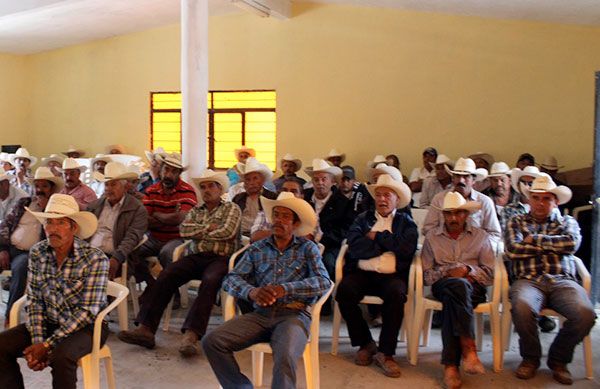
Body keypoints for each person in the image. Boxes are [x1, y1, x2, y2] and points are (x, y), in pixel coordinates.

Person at [201, 192, 331, 389]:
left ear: (295, 224)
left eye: (285, 216)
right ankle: (241, 387)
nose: (278, 220)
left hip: (293, 315)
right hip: (260, 315)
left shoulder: (307, 248)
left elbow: (323, 281)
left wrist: (284, 289)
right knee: (212, 341)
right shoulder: (257, 248)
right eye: (276, 215)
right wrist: (252, 292)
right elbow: (231, 279)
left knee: (285, 353)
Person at [119, 170, 241, 357]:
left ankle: (192, 335)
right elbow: (184, 231)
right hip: (195, 256)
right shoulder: (195, 210)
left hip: (220, 257)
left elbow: (227, 232)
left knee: (210, 280)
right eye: (203, 187)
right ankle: (146, 329)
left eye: (210, 186)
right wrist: (209, 227)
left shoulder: (231, 208)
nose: (206, 190)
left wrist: (198, 230)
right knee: (166, 274)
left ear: (220, 188)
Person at [0, 194, 107, 389]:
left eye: (61, 223)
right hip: (49, 322)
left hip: (85, 328)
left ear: (74, 228)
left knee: (61, 357)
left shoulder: (95, 259)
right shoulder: (38, 252)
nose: (53, 229)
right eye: (49, 223)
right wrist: (39, 341)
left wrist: (47, 345)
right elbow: (34, 301)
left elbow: (87, 311)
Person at [506, 174, 596, 385]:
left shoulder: (567, 221)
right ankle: (530, 358)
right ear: (529, 200)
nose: (541, 203)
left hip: (562, 280)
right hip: (528, 280)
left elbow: (571, 245)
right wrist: (553, 244)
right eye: (536, 198)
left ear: (555, 201)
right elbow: (513, 249)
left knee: (586, 314)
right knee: (521, 307)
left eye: (547, 198)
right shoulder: (516, 221)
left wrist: (534, 240)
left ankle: (558, 359)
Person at [336, 174, 417, 378]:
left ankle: (386, 353)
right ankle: (366, 343)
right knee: (344, 290)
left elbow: (406, 249)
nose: (381, 199)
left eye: (387, 195)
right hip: (362, 272)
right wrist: (388, 246)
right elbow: (354, 246)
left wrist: (377, 236)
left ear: (397, 199)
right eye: (378, 195)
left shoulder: (406, 222)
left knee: (397, 294)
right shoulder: (363, 219)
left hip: (392, 277)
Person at [421, 191, 495, 389]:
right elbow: (427, 276)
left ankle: (451, 367)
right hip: (444, 285)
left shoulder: (481, 236)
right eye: (448, 214)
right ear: (443, 215)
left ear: (466, 214)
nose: (453, 218)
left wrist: (467, 270)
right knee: (457, 287)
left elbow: (490, 275)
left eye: (458, 213)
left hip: (474, 288)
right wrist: (448, 272)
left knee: (454, 299)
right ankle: (468, 347)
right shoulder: (432, 238)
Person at [0, 167, 62, 327]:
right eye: (37, 186)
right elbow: (5, 225)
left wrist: (46, 209)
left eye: (44, 186)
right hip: (10, 247)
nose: (40, 190)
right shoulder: (24, 202)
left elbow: (54, 238)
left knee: (20, 268)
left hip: (32, 253)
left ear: (52, 189)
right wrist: (3, 249)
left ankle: (10, 316)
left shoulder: (56, 210)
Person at [132, 154, 197, 291]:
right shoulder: (151, 191)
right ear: (161, 170)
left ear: (179, 173)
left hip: (178, 238)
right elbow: (144, 220)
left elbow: (180, 219)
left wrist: (156, 214)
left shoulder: (187, 191)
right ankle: (151, 284)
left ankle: (172, 293)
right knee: (131, 251)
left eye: (174, 171)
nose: (168, 174)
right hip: (154, 237)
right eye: (166, 169)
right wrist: (170, 217)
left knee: (167, 253)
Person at [87, 162, 148, 280]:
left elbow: (132, 237)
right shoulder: (94, 206)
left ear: (125, 187)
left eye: (113, 185)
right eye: (106, 185)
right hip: (89, 253)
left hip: (115, 256)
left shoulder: (137, 209)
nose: (108, 189)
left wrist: (117, 257)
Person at [423, 157, 501, 243]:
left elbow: (494, 234)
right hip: (445, 251)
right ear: (452, 179)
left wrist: (482, 249)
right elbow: (428, 229)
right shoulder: (439, 199)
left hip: (475, 252)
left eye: (466, 176)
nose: (461, 180)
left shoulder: (484, 202)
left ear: (473, 180)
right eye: (457, 176)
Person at [304, 159, 353, 281]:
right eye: (316, 179)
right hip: (302, 241)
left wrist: (319, 240)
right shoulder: (304, 197)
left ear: (332, 182)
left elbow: (345, 230)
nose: (320, 183)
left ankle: (325, 297)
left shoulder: (343, 202)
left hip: (330, 245)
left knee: (326, 263)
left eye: (324, 179)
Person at [251, 178, 322, 243]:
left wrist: (278, 231)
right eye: (284, 190)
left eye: (293, 191)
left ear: (301, 196)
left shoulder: (311, 215)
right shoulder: (266, 212)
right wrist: (282, 231)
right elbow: (255, 237)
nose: (288, 193)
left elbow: (309, 240)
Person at [232, 157, 277, 237]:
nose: (251, 183)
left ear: (262, 180)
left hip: (262, 235)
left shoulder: (272, 197)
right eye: (248, 180)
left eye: (255, 178)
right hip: (240, 235)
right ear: (244, 183)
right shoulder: (238, 198)